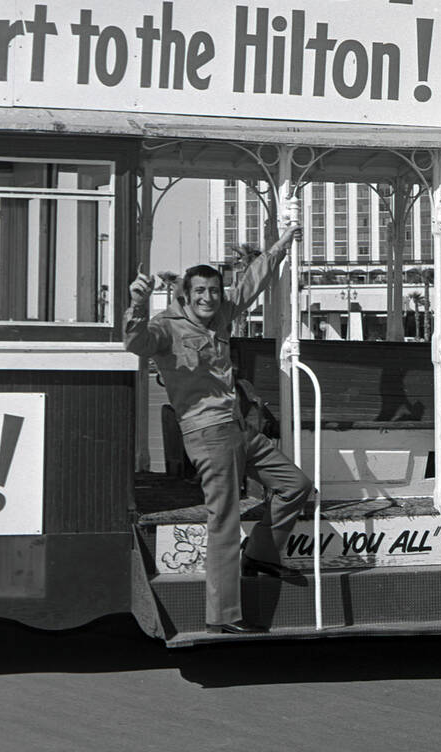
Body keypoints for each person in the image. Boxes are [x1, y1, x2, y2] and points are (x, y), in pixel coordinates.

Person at [124, 224, 312, 635]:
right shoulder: (166, 327)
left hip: (239, 429)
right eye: (200, 292)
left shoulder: (222, 314)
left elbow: (250, 285)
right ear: (184, 296)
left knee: (296, 485)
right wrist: (137, 303)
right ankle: (223, 617)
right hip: (207, 434)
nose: (208, 298)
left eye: (213, 291)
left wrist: (278, 249)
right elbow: (135, 343)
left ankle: (261, 552)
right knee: (224, 520)